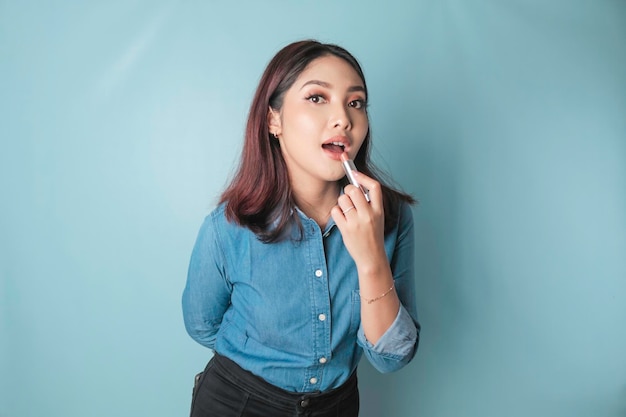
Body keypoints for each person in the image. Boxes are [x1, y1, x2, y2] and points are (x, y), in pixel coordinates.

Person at [182, 39, 420, 417]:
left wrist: (371, 255)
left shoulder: (391, 218)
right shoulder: (229, 224)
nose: (343, 117)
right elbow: (202, 324)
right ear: (273, 119)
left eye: (355, 102)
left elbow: (392, 357)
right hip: (236, 404)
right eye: (316, 98)